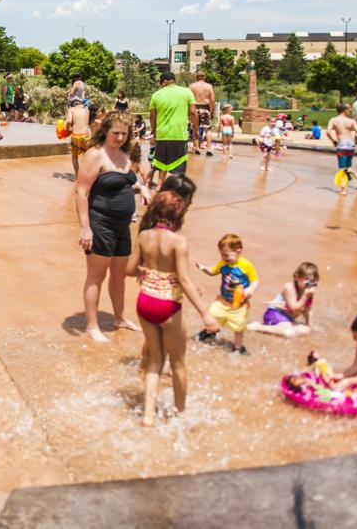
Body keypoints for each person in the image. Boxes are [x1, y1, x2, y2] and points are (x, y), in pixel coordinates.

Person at [126, 191, 219, 426]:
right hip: (167, 306)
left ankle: (148, 415)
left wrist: (149, 271)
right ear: (179, 215)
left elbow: (129, 269)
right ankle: (180, 413)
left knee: (155, 360)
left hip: (145, 302)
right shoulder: (179, 241)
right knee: (178, 363)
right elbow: (185, 280)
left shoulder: (144, 236)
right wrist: (205, 314)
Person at [75, 111, 150, 342]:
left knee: (119, 275)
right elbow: (81, 192)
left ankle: (119, 317)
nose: (119, 137)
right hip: (100, 223)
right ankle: (92, 326)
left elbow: (124, 183)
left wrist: (141, 188)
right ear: (105, 130)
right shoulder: (95, 154)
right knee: (96, 276)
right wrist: (85, 227)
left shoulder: (125, 154)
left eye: (124, 134)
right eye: (115, 133)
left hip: (122, 225)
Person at [195, 233, 259, 354]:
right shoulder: (223, 263)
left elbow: (255, 280)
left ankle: (238, 347)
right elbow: (212, 272)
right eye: (221, 255)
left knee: (239, 327)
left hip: (239, 305)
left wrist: (250, 290)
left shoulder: (246, 265)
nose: (223, 258)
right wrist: (203, 268)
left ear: (238, 251)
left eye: (226, 255)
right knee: (212, 316)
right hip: (223, 301)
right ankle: (210, 332)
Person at [148, 71, 198, 184]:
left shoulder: (156, 95)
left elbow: (152, 117)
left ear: (165, 81)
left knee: (161, 164)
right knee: (179, 166)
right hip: (179, 135)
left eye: (161, 83)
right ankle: (177, 188)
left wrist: (154, 131)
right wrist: (195, 130)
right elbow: (193, 112)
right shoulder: (186, 92)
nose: (161, 85)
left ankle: (159, 187)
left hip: (162, 135)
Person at [247, 262, 319, 338]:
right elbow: (294, 309)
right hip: (275, 314)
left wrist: (309, 327)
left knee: (305, 330)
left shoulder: (307, 291)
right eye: (307, 281)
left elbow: (308, 311)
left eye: (313, 282)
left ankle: (280, 328)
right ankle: (257, 327)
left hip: (288, 319)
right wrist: (305, 296)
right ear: (297, 277)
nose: (309, 284)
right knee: (288, 333)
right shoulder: (289, 287)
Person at [326, 104, 357, 196]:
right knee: (348, 166)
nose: (350, 111)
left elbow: (328, 132)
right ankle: (356, 178)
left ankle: (344, 189)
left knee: (342, 168)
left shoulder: (333, 120)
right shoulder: (351, 121)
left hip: (342, 144)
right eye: (349, 109)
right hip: (351, 144)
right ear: (345, 110)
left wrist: (333, 141)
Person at [188, 71, 216, 157]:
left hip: (194, 109)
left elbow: (188, 99)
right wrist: (213, 111)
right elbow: (212, 100)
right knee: (208, 129)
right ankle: (209, 148)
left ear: (196, 77)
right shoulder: (209, 86)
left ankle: (196, 148)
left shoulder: (191, 86)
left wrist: (188, 112)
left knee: (195, 129)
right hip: (205, 108)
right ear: (204, 77)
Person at [65, 98, 91, 178]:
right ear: (80, 104)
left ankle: (77, 176)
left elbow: (69, 121)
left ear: (72, 105)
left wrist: (67, 131)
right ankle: (87, 175)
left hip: (76, 135)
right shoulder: (87, 111)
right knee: (87, 156)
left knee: (74, 156)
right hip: (86, 135)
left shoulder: (71, 109)